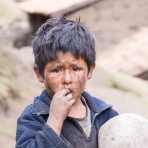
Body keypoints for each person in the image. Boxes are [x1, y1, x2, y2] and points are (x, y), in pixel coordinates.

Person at [15, 17, 118, 148]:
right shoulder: (32, 118)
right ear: (39, 73)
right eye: (56, 70)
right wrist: (54, 121)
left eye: (76, 69)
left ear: (90, 70)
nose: (67, 79)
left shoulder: (105, 114)